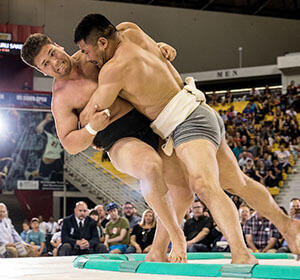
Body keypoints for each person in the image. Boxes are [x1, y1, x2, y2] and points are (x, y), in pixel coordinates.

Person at [74, 13, 300, 263]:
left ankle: (241, 252)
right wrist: (162, 47)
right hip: (199, 111)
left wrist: (75, 109)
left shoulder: (113, 69)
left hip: (186, 122)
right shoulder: (131, 30)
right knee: (237, 183)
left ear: (103, 43)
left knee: (203, 185)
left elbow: (92, 113)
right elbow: (156, 56)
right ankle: (287, 225)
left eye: (86, 51)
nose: (87, 58)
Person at [21, 32, 194, 263]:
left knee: (184, 192)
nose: (55, 62)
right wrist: (92, 128)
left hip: (148, 121)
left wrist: (157, 48)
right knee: (150, 166)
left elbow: (126, 43)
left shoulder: (91, 55)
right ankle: (177, 236)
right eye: (46, 63)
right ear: (41, 71)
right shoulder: (61, 99)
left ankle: (158, 250)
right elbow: (70, 143)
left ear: (57, 44)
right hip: (118, 139)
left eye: (52, 53)